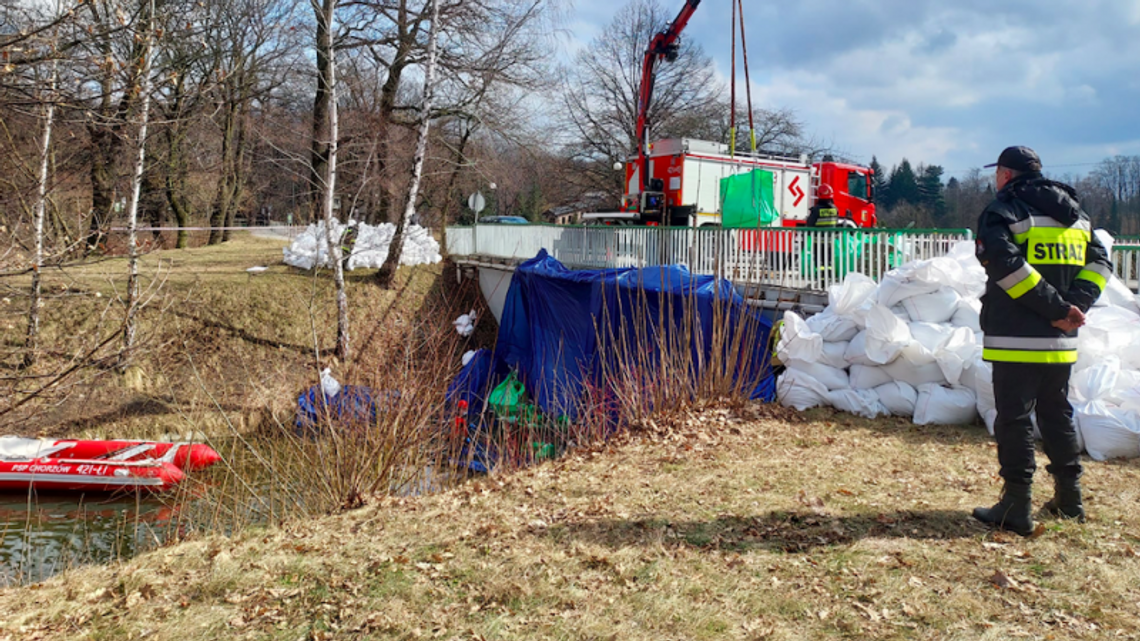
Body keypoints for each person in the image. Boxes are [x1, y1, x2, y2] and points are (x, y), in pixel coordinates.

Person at [972, 146, 1113, 536]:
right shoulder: (1076, 215)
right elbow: (1101, 263)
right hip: (1061, 338)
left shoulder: (1003, 211)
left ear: (1004, 174)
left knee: (1015, 419)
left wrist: (1054, 307)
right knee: (1057, 413)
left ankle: (1016, 504)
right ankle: (1070, 499)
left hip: (1015, 337)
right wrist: (1074, 306)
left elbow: (1006, 266)